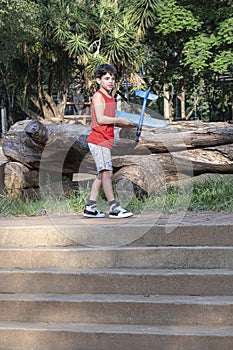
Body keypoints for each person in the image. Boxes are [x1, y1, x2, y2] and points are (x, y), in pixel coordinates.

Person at [83, 64, 134, 219]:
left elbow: (110, 121)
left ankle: (90, 208)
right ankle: (114, 207)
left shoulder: (110, 97)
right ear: (99, 80)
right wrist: (119, 119)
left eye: (112, 78)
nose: (110, 81)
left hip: (105, 140)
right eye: (106, 78)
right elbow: (101, 119)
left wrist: (130, 123)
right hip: (98, 140)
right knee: (107, 173)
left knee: (101, 174)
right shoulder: (99, 96)